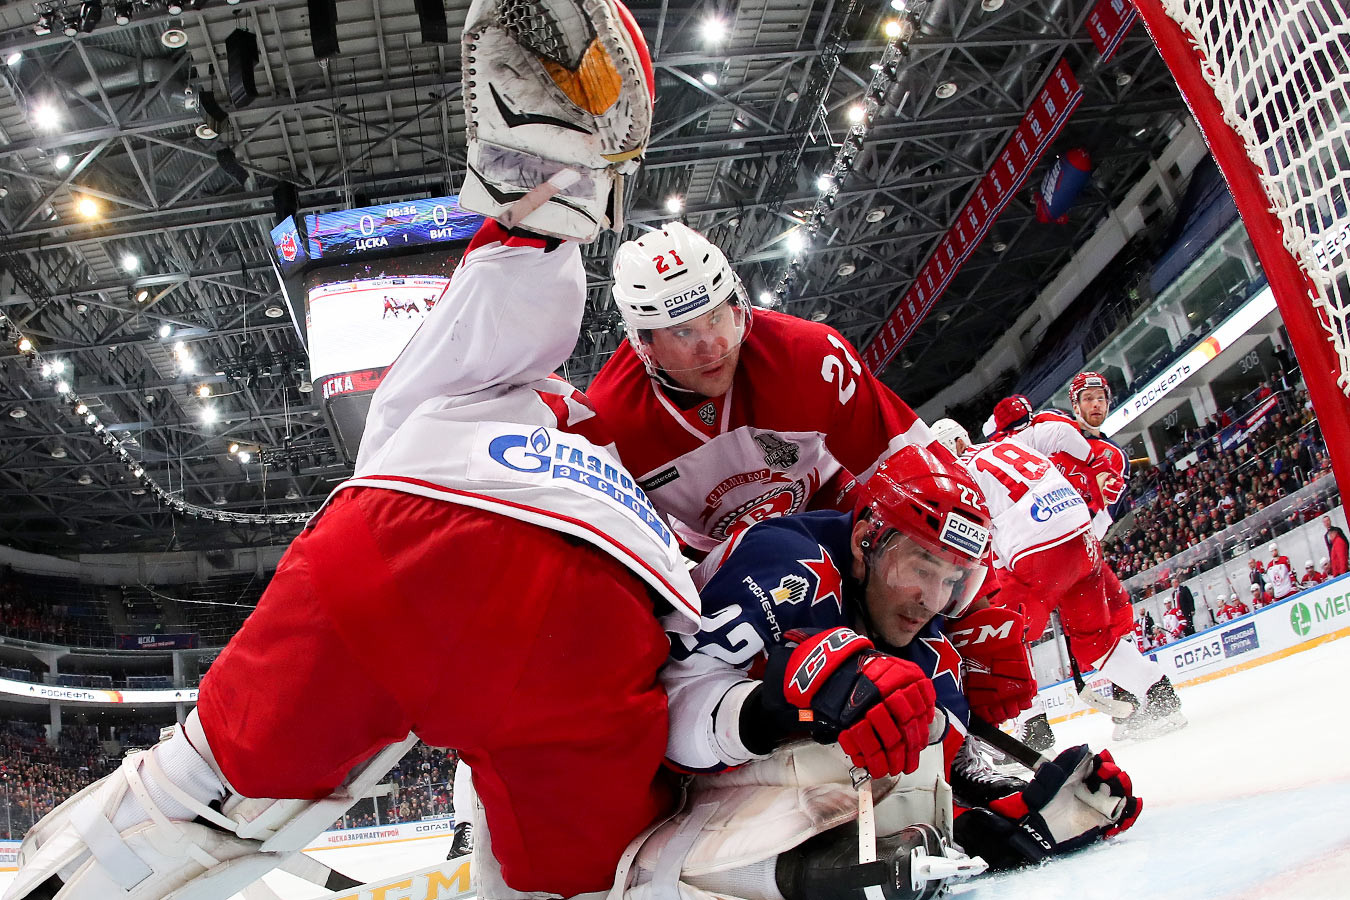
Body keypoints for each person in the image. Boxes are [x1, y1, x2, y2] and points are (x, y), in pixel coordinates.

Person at [4, 4, 701, 899]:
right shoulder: (619, 432)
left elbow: (503, 301)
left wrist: (541, 201)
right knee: (582, 883)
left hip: (402, 542)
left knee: (181, 800)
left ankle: (548, 177)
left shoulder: (491, 388)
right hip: (600, 607)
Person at [635, 447, 1138, 899]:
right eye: (921, 567)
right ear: (864, 541)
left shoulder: (930, 647)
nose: (932, 600)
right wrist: (775, 709)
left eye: (954, 579)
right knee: (826, 768)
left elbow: (937, 779)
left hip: (728, 787)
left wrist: (1016, 817)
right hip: (654, 807)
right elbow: (661, 724)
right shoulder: (786, 565)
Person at [586, 223, 948, 553]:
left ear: (736, 306)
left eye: (716, 317)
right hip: (716, 551)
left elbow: (917, 473)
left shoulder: (809, 354)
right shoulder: (607, 422)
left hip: (830, 501)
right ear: (645, 345)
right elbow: (633, 553)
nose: (712, 347)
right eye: (683, 332)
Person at [930, 419, 1184, 744]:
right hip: (1083, 537)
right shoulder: (1009, 445)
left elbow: (980, 542)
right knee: (1093, 642)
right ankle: (1160, 696)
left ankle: (1034, 728)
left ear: (951, 446)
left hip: (1039, 551)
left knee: (999, 636)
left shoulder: (962, 472)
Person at [985, 373, 1130, 540]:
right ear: (1075, 404)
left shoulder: (1115, 456)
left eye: (1101, 398)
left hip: (1065, 531)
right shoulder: (1050, 419)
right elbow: (1004, 441)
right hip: (1025, 516)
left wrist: (1082, 539)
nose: (1096, 404)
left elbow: (1103, 517)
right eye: (1088, 398)